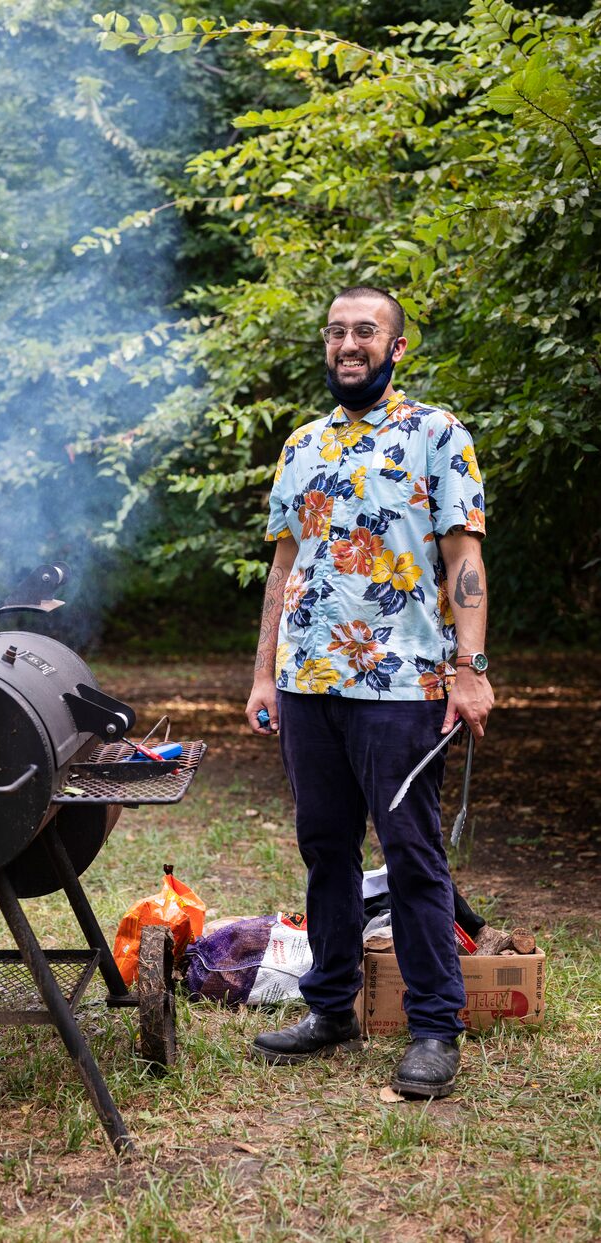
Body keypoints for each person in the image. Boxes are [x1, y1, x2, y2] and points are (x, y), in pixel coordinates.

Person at [245, 286, 493, 1098]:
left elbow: (464, 560)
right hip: (308, 680)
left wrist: (471, 667)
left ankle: (433, 1026)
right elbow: (284, 570)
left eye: (366, 331)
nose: (349, 343)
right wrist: (262, 673)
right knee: (325, 850)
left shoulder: (436, 433)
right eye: (337, 332)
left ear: (396, 347)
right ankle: (330, 1007)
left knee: (412, 854)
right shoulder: (302, 444)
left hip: (402, 681)